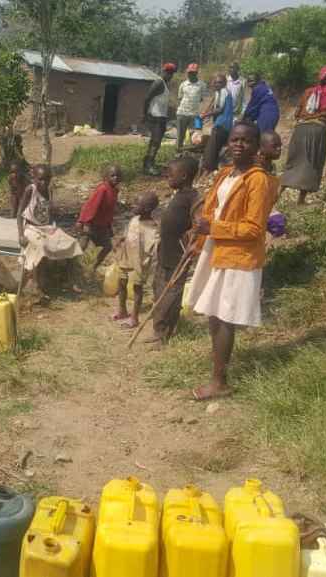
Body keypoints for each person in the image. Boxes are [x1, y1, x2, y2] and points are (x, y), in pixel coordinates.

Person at [187, 122, 275, 401]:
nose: (238, 144)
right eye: (234, 139)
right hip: (217, 249)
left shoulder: (257, 180)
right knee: (214, 313)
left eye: (246, 141)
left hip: (239, 255)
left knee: (225, 317)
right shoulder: (226, 174)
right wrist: (198, 237)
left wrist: (212, 227)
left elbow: (253, 228)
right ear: (227, 144)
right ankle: (218, 373)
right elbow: (211, 211)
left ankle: (219, 381)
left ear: (256, 146)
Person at [146, 157, 199, 347]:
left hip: (179, 255)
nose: (167, 175)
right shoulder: (178, 194)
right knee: (158, 290)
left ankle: (165, 333)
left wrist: (192, 239)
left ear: (184, 176)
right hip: (165, 252)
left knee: (171, 295)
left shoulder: (193, 198)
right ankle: (158, 329)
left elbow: (199, 223)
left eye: (171, 173)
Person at [282, 65, 326, 205]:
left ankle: (278, 193)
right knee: (312, 163)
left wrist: (305, 118)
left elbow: (296, 114)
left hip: (300, 129)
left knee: (293, 161)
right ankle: (301, 200)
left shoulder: (308, 91)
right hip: (318, 131)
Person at [18, 165, 83, 299]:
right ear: (34, 178)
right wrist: (20, 235)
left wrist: (55, 228)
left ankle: (72, 279)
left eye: (47, 179)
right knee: (41, 247)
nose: (44, 183)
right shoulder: (31, 190)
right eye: (41, 179)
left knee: (72, 242)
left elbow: (49, 213)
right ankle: (36, 285)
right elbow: (19, 214)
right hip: (31, 228)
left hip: (46, 227)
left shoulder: (49, 190)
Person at [112, 192, 160, 329]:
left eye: (137, 203)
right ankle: (122, 310)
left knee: (137, 287)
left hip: (139, 261)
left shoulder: (151, 227)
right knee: (121, 282)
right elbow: (127, 234)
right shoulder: (134, 219)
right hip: (126, 256)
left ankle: (134, 318)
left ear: (146, 209)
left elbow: (154, 247)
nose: (133, 205)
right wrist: (120, 240)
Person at [76, 164, 122, 270]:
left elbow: (109, 211)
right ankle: (72, 267)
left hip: (102, 226)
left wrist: (109, 227)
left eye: (118, 176)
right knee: (81, 247)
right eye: (113, 175)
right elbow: (91, 205)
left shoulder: (114, 191)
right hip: (91, 224)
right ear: (106, 177)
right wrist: (82, 221)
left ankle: (93, 267)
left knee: (107, 247)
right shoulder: (103, 189)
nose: (116, 178)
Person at [143, 62, 177, 174]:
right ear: (164, 72)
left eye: (172, 73)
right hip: (155, 117)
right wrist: (144, 114)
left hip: (161, 117)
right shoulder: (159, 82)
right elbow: (147, 98)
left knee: (155, 142)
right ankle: (149, 166)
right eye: (169, 73)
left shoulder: (165, 84)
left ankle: (148, 163)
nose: (170, 75)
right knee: (155, 142)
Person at [200, 73, 236, 179]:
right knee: (217, 147)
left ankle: (208, 170)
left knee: (211, 148)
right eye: (215, 82)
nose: (217, 84)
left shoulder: (224, 92)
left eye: (219, 82)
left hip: (222, 123)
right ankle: (214, 169)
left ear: (224, 83)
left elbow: (219, 109)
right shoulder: (220, 92)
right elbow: (214, 106)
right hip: (225, 124)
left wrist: (205, 115)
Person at [176, 63, 206, 152]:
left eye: (193, 73)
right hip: (182, 114)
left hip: (195, 115)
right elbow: (180, 98)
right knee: (180, 136)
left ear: (196, 73)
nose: (190, 74)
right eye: (189, 73)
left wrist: (201, 113)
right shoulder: (183, 84)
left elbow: (202, 99)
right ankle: (178, 154)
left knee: (194, 137)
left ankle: (191, 155)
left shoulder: (202, 85)